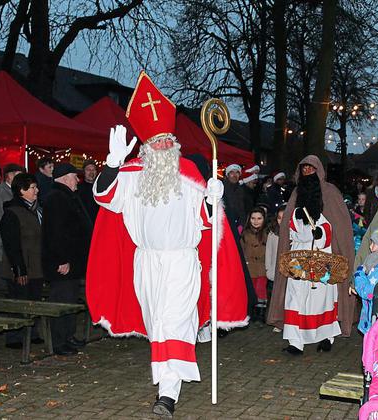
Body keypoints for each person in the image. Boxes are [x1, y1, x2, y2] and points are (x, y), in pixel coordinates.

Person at [86, 72, 248, 417]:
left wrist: (212, 200)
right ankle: (166, 384)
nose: (162, 145)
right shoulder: (130, 175)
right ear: (145, 146)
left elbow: (207, 222)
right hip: (146, 264)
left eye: (167, 139)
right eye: (155, 140)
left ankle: (167, 395)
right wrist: (113, 163)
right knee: (157, 322)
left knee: (176, 322)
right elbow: (103, 195)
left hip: (181, 262)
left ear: (175, 143)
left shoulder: (189, 172)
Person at [267, 155, 355, 355]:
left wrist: (322, 233)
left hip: (323, 256)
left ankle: (327, 336)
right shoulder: (296, 193)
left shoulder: (331, 193)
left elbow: (339, 227)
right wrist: (298, 227)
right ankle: (295, 341)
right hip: (298, 256)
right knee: (295, 298)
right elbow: (288, 228)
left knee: (322, 299)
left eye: (311, 169)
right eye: (304, 169)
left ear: (319, 171)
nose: (307, 172)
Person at [42, 163, 93, 356]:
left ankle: (68, 335)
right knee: (61, 300)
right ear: (64, 178)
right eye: (74, 176)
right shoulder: (56, 198)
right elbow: (55, 233)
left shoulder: (67, 196)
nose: (77, 180)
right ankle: (59, 341)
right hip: (63, 262)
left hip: (73, 261)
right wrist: (62, 260)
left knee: (70, 299)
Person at [0, 173, 45, 348]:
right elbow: (11, 244)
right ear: (21, 191)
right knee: (19, 303)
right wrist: (19, 270)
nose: (37, 190)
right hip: (21, 267)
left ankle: (32, 334)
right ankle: (15, 337)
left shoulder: (36, 210)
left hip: (36, 266)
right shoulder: (12, 213)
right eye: (33, 187)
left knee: (33, 301)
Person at [0, 163, 25, 291]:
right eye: (19, 176)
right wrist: (6, 243)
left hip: (12, 252)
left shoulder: (14, 193)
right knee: (3, 290)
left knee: (13, 289)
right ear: (9, 176)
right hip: (2, 254)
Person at [240, 207, 268, 323]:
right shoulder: (245, 233)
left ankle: (261, 314)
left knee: (261, 289)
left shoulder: (267, 233)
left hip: (262, 267)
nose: (256, 221)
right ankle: (251, 312)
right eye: (253, 218)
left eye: (259, 218)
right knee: (250, 289)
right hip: (249, 267)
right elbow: (241, 249)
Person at [265, 204, 286, 327]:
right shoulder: (273, 234)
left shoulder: (294, 235)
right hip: (275, 271)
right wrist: (268, 269)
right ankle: (277, 321)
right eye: (279, 217)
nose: (281, 220)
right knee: (275, 298)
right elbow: (269, 252)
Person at [222, 163, 246, 231]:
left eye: (237, 173)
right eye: (232, 172)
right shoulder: (221, 188)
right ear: (227, 175)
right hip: (226, 225)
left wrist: (242, 224)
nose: (235, 175)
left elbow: (243, 209)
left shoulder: (241, 190)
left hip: (239, 225)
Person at [77, 160, 99, 224]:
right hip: (82, 224)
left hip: (97, 224)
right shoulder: (77, 188)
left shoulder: (100, 188)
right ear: (84, 172)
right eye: (88, 169)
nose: (91, 172)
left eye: (93, 169)